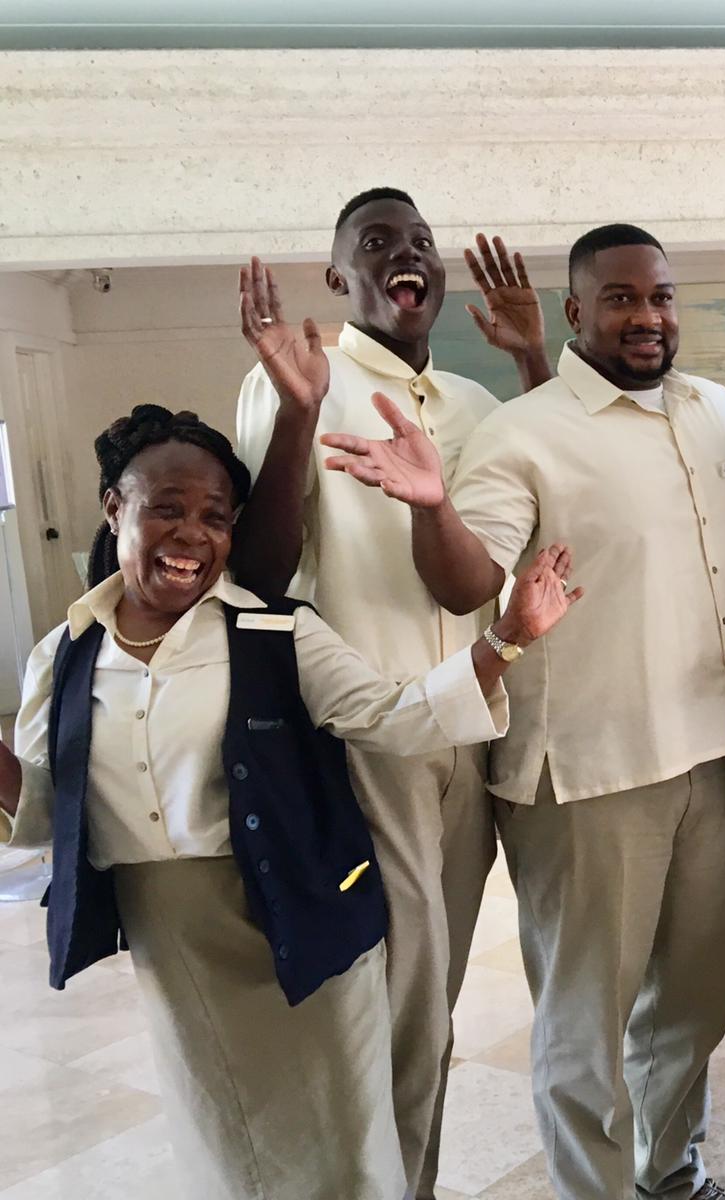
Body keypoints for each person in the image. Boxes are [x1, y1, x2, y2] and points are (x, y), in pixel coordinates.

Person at [0, 405, 578, 1200]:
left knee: (344, 1149)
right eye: (166, 508)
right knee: (226, 1144)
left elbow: (396, 716)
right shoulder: (64, 655)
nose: (191, 534)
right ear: (114, 508)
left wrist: (508, 636)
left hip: (303, 922)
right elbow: (44, 814)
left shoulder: (276, 634)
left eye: (215, 517)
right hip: (177, 944)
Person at [317, 222, 725, 1200]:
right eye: (621, 298)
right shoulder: (522, 431)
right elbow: (465, 582)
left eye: (659, 296)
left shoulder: (711, 411)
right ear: (576, 312)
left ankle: (671, 1171)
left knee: (695, 1003)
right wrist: (431, 506)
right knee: (586, 1025)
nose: (647, 316)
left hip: (713, 756)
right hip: (586, 774)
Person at [231, 191, 552, 1197]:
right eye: (377, 244)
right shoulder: (297, 380)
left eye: (419, 242)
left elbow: (515, 542)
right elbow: (260, 571)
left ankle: (405, 1176)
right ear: (340, 276)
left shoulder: (475, 405)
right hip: (371, 738)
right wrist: (297, 412)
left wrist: (532, 364)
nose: (405, 255)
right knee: (402, 1003)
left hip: (477, 723)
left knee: (433, 996)